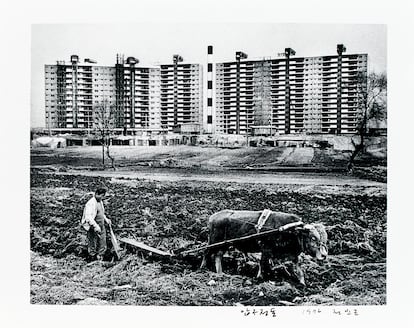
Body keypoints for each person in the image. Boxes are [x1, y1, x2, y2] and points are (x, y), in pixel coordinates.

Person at [81, 187, 112, 261]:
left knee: (102, 241)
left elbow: (101, 213)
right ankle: (92, 258)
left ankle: (100, 256)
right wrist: (95, 226)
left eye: (103, 196)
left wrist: (106, 219)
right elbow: (88, 217)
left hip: (101, 225)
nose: (102, 198)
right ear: (96, 194)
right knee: (93, 242)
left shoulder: (100, 202)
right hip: (93, 226)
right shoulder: (90, 203)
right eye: (101, 196)